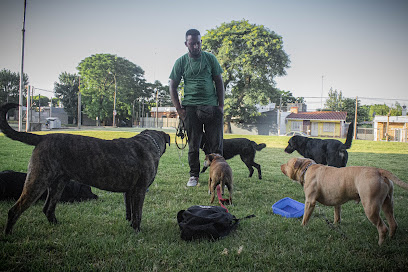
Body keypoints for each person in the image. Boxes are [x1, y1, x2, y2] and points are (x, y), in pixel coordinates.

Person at [169, 29, 225, 187]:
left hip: (211, 106)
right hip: (190, 108)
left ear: (201, 42)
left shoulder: (210, 58)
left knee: (216, 144)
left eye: (198, 43)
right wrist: (179, 110)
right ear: (186, 43)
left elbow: (218, 82)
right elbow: (172, 86)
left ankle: (218, 175)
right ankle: (194, 175)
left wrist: (221, 105)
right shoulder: (180, 62)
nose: (195, 46)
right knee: (193, 144)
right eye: (192, 43)